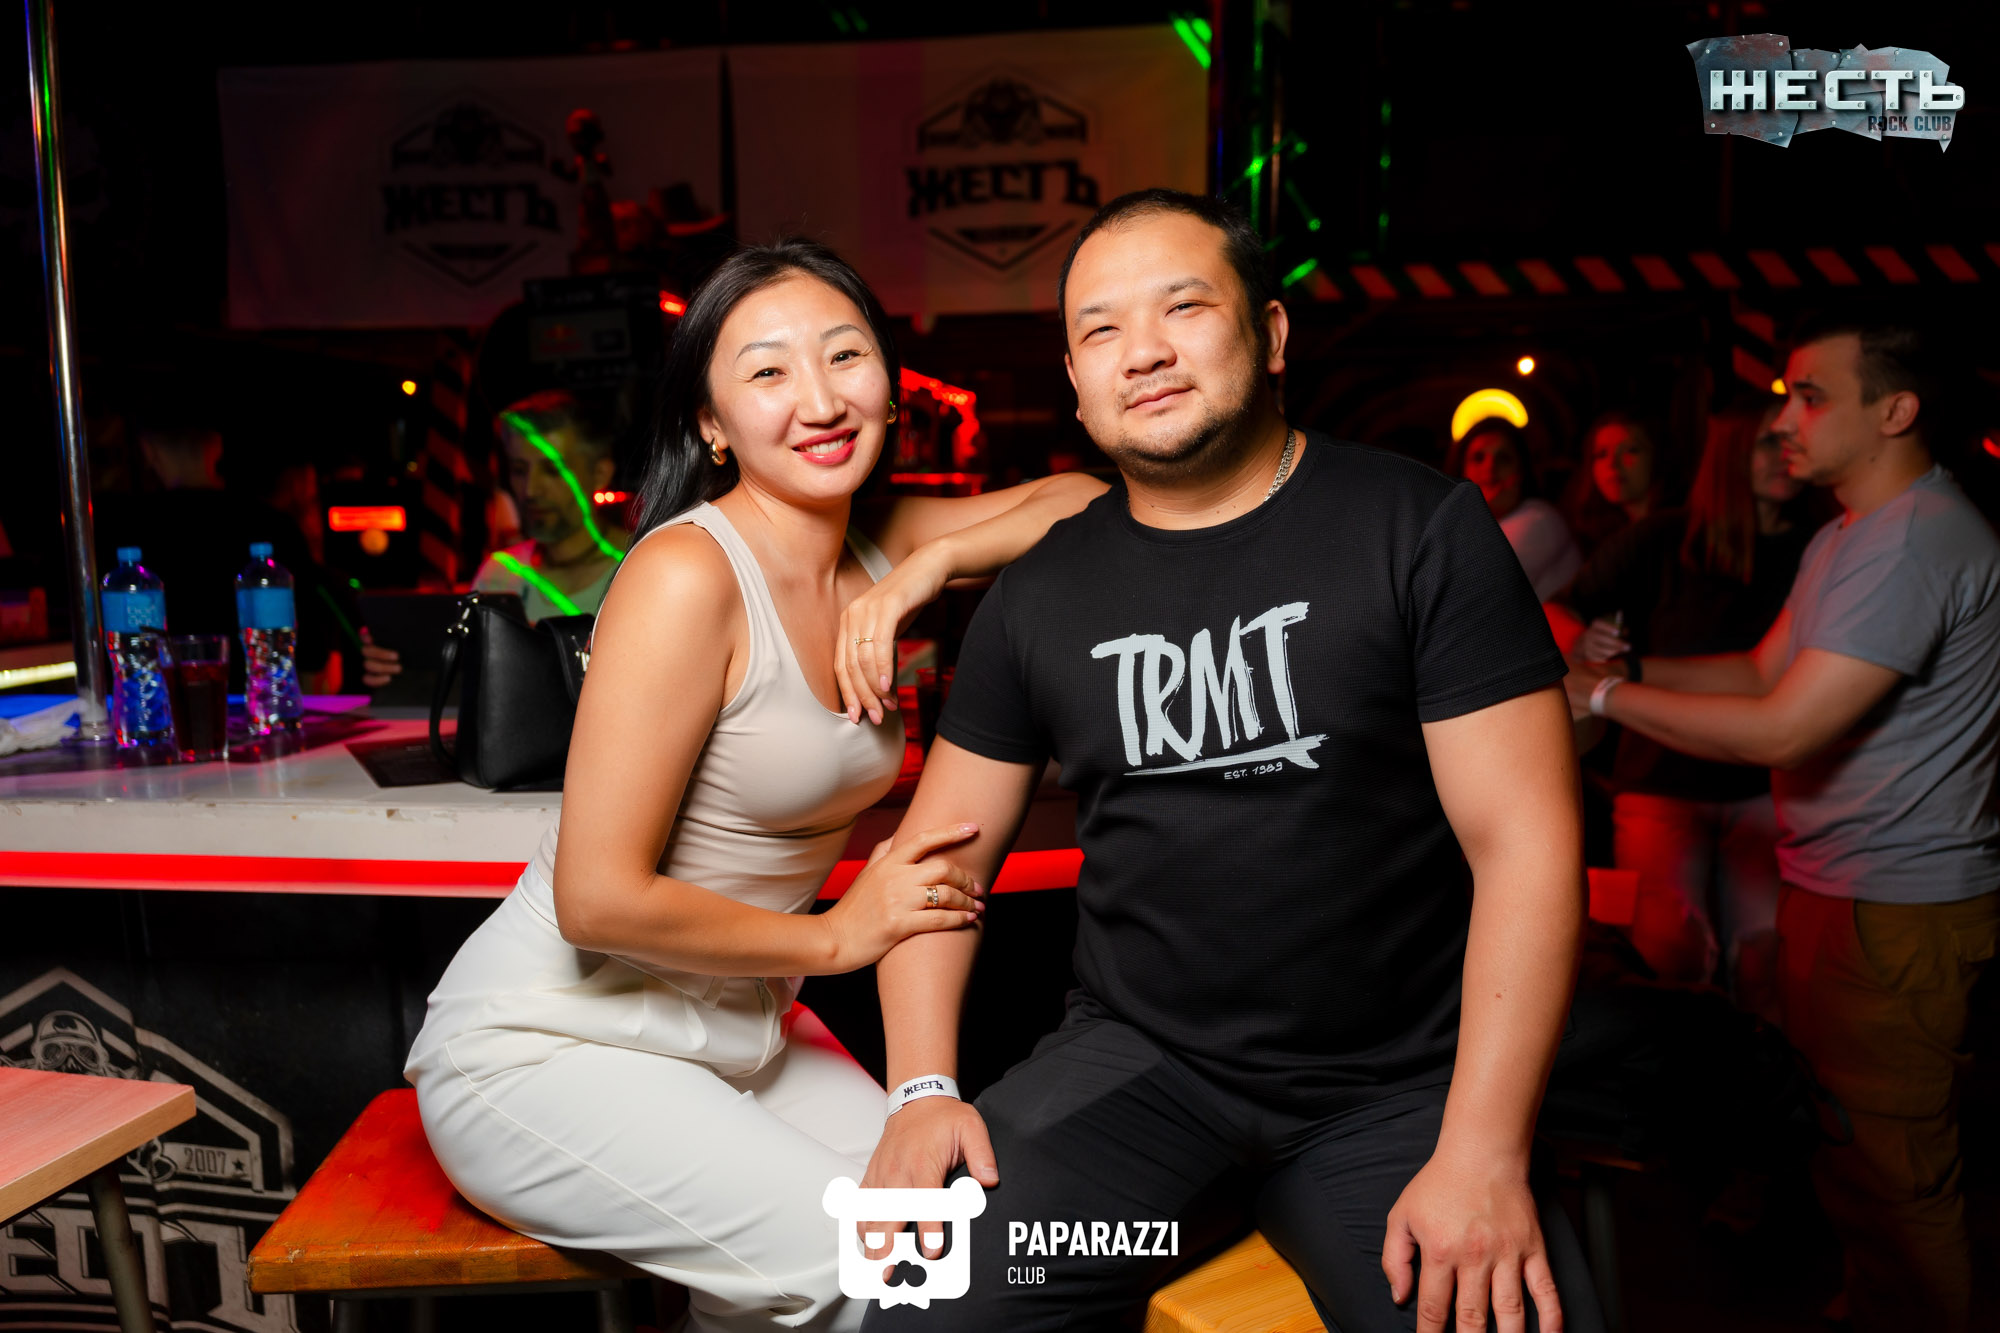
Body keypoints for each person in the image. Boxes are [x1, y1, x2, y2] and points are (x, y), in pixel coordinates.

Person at [857, 190, 1601, 1333]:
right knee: (924, 1304)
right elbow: (933, 866)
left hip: (1396, 1093)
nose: (1142, 350)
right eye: (1101, 328)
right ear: (1074, 378)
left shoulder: (1417, 528)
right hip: (1138, 1088)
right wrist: (920, 1087)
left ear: (1270, 332)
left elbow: (1527, 845)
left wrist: (1483, 1151)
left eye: (1183, 307)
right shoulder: (1035, 596)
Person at [403, 238, 1106, 1333]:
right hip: (548, 1047)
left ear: (890, 384)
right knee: (890, 1273)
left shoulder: (876, 545)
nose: (819, 400)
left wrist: (930, 566)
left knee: (961, 1239)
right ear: (712, 424)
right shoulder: (686, 573)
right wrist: (837, 936)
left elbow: (1087, 500)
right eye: (769, 371)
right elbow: (596, 899)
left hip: (743, 1036)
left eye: (845, 355)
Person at [1564, 313, 2000, 1333]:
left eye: (1811, 397)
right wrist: (1628, 669)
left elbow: (1786, 726)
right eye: (1785, 395)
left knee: (1896, 1174)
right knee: (1848, 1154)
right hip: (1839, 888)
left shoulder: (1916, 539)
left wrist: (1603, 700)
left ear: (1894, 411)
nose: (1786, 418)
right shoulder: (1850, 533)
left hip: (1896, 904)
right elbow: (1764, 670)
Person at [1547, 395, 1813, 1007]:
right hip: (1661, 784)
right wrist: (1578, 639)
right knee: (1671, 956)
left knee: (1764, 962)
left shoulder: (1816, 550)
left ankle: (1757, 1069)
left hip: (1763, 785)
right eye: (1768, 441)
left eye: (1791, 438)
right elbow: (1556, 609)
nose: (1788, 452)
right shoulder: (1661, 538)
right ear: (1729, 455)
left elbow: (1762, 676)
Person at [360, 389, 629, 687]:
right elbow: (470, 685)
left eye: (553, 470)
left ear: (600, 473)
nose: (531, 490)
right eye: (519, 470)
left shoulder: (637, 567)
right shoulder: (500, 572)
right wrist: (402, 667)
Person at [1446, 418, 1580, 600]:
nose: (1490, 467)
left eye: (1503, 458)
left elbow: (1473, 593)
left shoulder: (1538, 519)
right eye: (1478, 458)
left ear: (1521, 471)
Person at [1563, 412, 1664, 556]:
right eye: (1602, 454)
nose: (1612, 464)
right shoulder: (1595, 538)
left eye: (1630, 450)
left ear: (1657, 455)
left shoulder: (1678, 528)